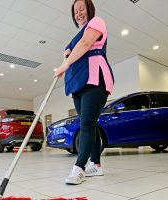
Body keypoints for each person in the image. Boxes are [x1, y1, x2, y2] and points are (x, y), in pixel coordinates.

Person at [54, 0, 115, 185]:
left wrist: (65, 63)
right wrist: (66, 55)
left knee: (86, 125)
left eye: (81, 9)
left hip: (95, 80)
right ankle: (96, 165)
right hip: (78, 84)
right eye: (75, 12)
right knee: (91, 124)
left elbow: (85, 43)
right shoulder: (76, 36)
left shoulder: (97, 22)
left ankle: (79, 168)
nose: (78, 13)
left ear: (89, 8)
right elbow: (73, 48)